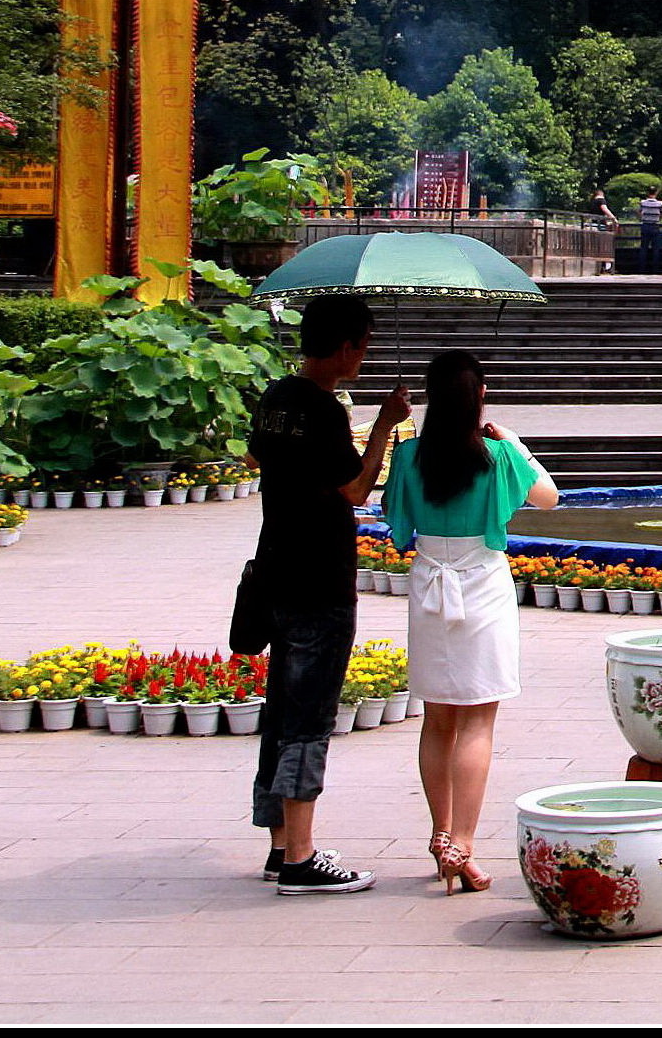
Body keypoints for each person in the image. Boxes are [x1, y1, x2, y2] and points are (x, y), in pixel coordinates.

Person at [246, 295, 409, 894]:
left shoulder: (277, 397)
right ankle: (302, 858)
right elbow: (358, 490)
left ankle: (279, 842)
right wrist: (387, 427)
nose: (364, 355)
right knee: (310, 713)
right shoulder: (322, 409)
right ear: (344, 346)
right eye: (363, 345)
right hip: (321, 573)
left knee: (281, 707)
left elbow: (256, 455)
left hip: (276, 566)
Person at [381, 350, 560, 894]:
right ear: (480, 396)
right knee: (479, 721)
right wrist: (513, 440)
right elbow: (549, 499)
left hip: (430, 584)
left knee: (438, 720)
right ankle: (462, 842)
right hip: (481, 584)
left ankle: (441, 837)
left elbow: (392, 514)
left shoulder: (410, 454)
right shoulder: (497, 455)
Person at [635, 187, 662, 275]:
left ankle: (641, 268)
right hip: (655, 226)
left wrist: (642, 218)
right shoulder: (660, 204)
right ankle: (655, 269)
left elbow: (638, 212)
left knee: (643, 248)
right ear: (656, 193)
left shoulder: (642, 203)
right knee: (656, 248)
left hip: (645, 225)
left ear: (648, 193)